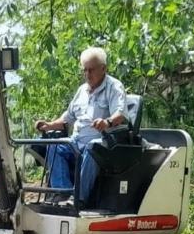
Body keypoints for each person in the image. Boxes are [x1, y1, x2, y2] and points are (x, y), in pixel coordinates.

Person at [35, 47, 128, 208]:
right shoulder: (82, 90)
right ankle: (62, 193)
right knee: (55, 145)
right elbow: (67, 118)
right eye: (84, 70)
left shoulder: (114, 87)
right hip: (76, 142)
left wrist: (107, 122)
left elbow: (120, 114)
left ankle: (79, 198)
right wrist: (49, 125)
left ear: (103, 68)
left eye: (91, 70)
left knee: (93, 146)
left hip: (103, 146)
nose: (87, 74)